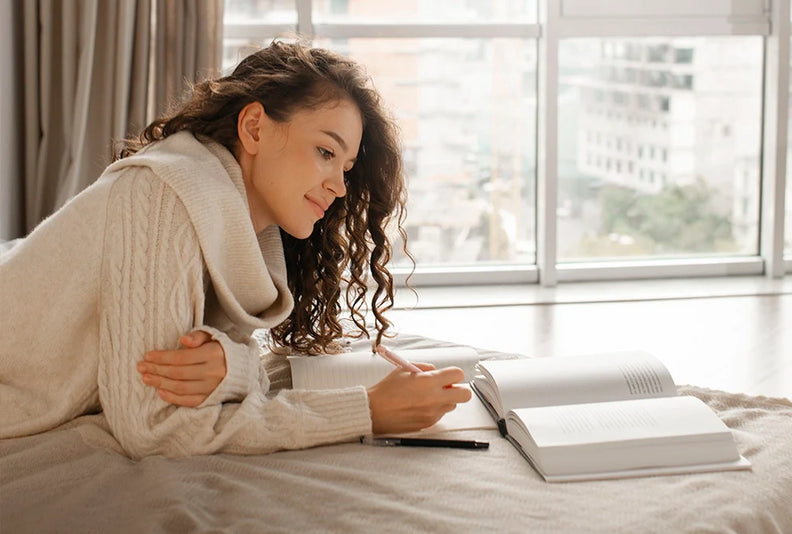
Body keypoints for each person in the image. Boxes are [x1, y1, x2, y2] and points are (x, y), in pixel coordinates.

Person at [0, 41, 471, 457]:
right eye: (326, 152)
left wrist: (235, 367)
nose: (340, 188)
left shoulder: (247, 228)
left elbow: (234, 357)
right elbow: (154, 426)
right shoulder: (167, 196)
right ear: (254, 128)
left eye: (346, 167)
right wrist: (365, 410)